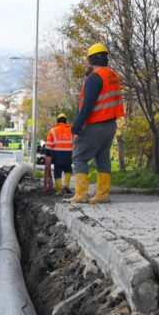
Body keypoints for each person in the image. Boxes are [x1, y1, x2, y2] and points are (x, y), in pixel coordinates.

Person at [65, 43, 125, 204]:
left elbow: (87, 106)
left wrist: (76, 126)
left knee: (79, 156)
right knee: (102, 157)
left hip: (96, 124)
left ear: (90, 60)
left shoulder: (95, 78)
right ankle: (103, 195)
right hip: (110, 125)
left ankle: (81, 194)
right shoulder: (112, 75)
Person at [45, 113, 74, 195]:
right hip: (69, 155)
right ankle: (67, 185)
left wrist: (47, 153)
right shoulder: (71, 130)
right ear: (66, 121)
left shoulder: (53, 130)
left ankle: (59, 190)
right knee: (68, 170)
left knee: (57, 173)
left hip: (57, 155)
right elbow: (75, 142)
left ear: (58, 120)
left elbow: (49, 144)